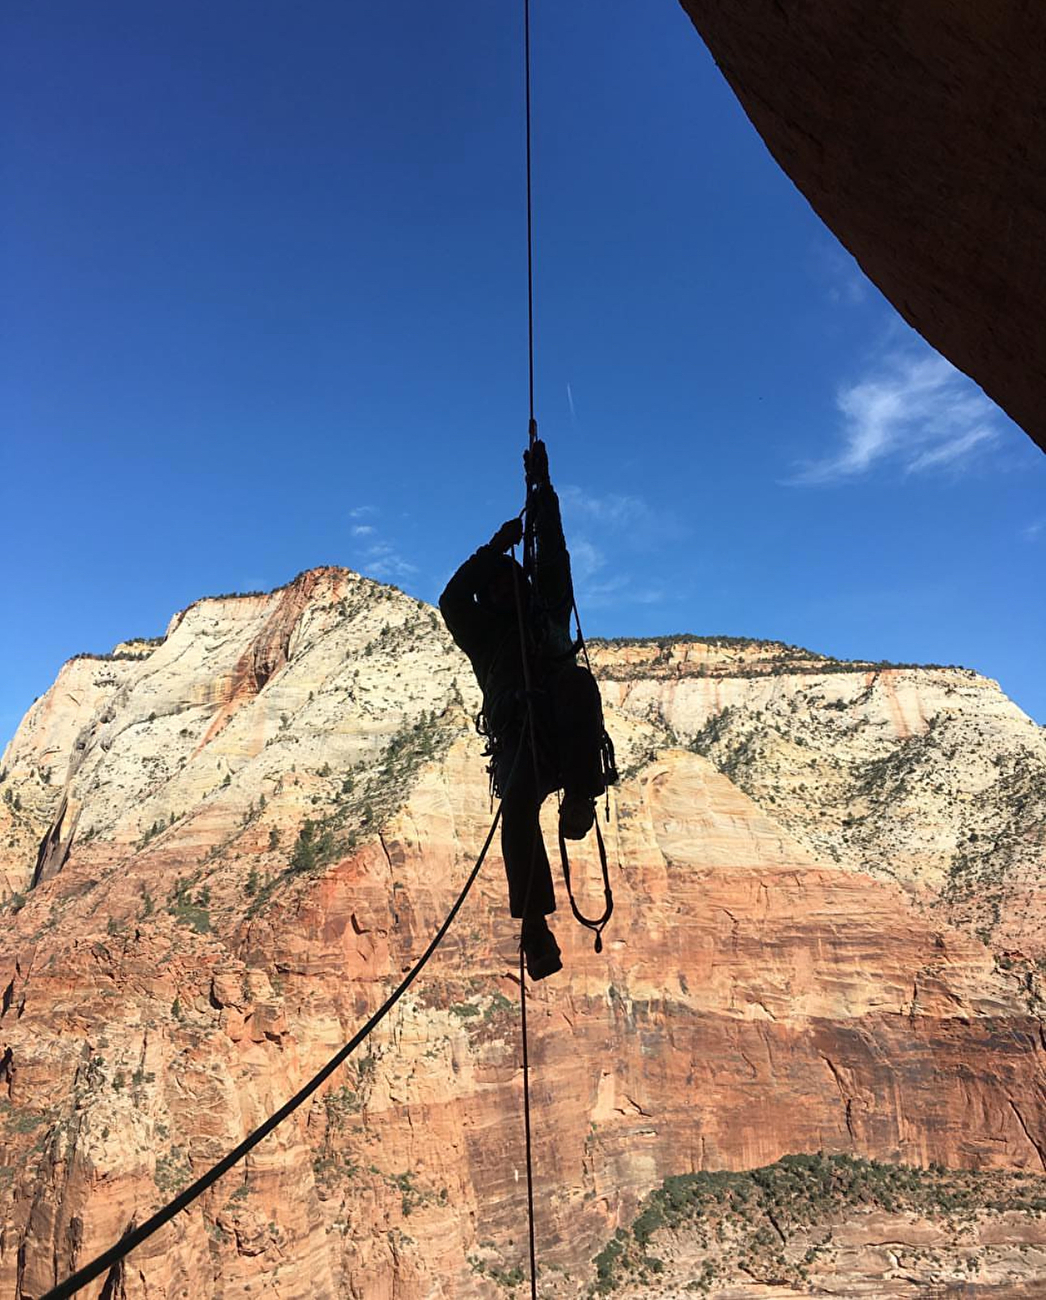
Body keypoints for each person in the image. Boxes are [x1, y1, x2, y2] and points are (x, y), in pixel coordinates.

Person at [439, 440, 608, 980]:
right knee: (516, 815)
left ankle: (580, 796)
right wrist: (495, 546)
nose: (504, 590)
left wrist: (543, 491)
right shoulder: (484, 639)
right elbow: (451, 600)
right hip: (521, 742)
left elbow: (553, 551)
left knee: (577, 686)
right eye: (496, 587)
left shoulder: (547, 612)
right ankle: (533, 925)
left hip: (562, 729)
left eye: (508, 581)